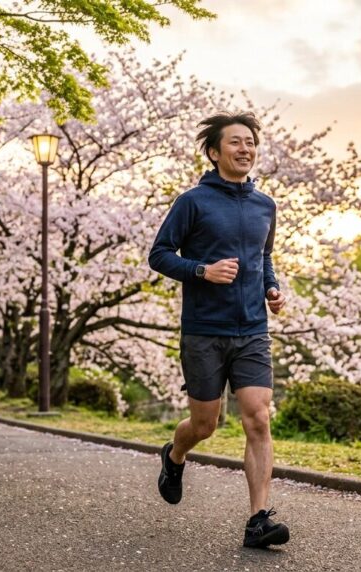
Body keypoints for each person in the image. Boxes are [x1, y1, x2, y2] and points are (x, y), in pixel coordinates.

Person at [148, 112, 289, 549]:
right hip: (204, 331)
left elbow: (263, 257)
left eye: (250, 142)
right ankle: (175, 455)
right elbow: (159, 254)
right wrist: (202, 271)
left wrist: (272, 285)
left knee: (258, 418)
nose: (245, 149)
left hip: (252, 330)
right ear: (214, 152)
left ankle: (258, 521)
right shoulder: (193, 202)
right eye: (235, 142)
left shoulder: (266, 205)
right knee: (205, 424)